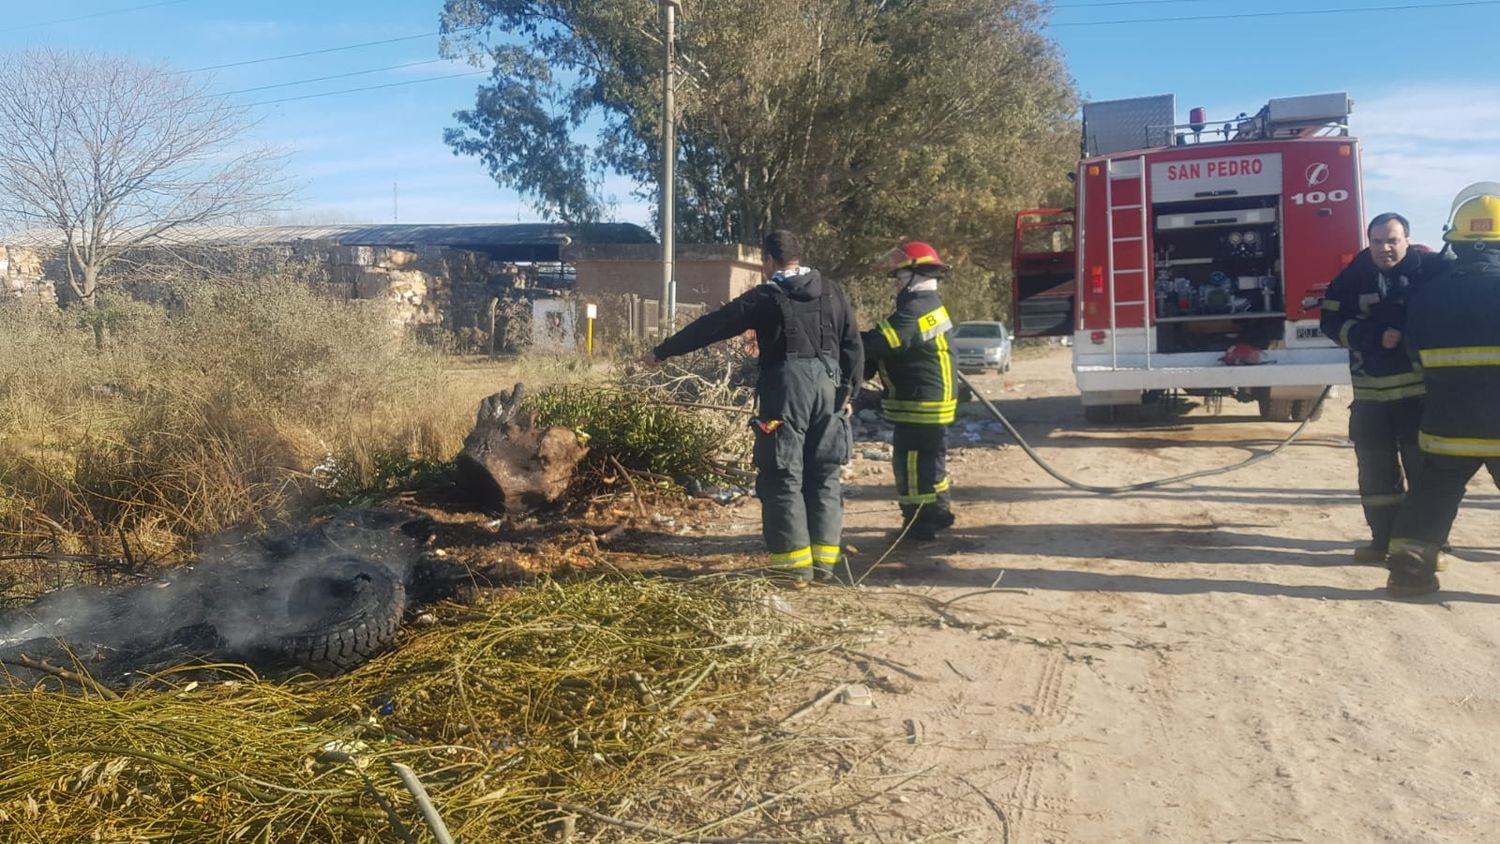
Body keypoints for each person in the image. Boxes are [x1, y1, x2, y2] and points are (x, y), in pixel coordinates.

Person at [643, 230, 863, 582]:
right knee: (824, 474)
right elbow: (853, 343)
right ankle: (824, 565)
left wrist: (663, 351)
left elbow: (714, 326)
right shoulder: (833, 291)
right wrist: (849, 394)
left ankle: (794, 571)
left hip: (785, 393)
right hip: (830, 391)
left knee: (782, 477)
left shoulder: (766, 296)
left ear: (769, 261)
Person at [1383, 185, 1500, 597]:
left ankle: (1409, 573)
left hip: (1447, 424)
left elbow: (1416, 356)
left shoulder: (1429, 293)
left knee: (1431, 496)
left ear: (1456, 241)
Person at [1320, 212, 1444, 564]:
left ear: (1407, 239)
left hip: (1418, 396)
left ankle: (1427, 542)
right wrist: (1370, 336)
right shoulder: (1352, 277)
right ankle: (1382, 541)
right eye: (1377, 241)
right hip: (1370, 396)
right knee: (1375, 475)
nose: (1384, 248)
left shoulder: (1431, 271)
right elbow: (1330, 320)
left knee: (1424, 472)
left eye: (1392, 240)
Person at [861, 242, 958, 541]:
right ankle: (940, 512)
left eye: (901, 277)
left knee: (912, 466)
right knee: (931, 462)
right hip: (931, 400)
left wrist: (845, 341)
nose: (898, 283)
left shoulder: (916, 310)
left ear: (916, 275)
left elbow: (879, 343)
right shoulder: (929, 306)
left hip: (920, 403)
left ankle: (920, 526)